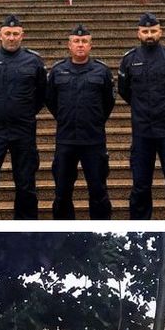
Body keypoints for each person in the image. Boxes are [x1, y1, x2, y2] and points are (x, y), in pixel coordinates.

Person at [118, 12, 165, 219]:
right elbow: (125, 92)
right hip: (142, 132)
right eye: (145, 31)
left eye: (153, 31)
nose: (149, 35)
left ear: (160, 32)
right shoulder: (129, 60)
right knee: (141, 187)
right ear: (138, 33)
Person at [0, 13, 47, 219]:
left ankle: (26, 229)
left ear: (22, 36)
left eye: (15, 34)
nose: (11, 38)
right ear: (0, 35)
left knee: (26, 184)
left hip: (24, 129)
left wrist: (25, 112)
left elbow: (42, 93)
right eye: (8, 33)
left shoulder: (34, 61)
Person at [46, 24, 115, 220]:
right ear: (69, 45)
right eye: (76, 41)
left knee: (98, 191)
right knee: (62, 192)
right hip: (66, 140)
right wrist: (65, 118)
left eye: (84, 41)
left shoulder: (101, 71)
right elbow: (50, 100)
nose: (80, 45)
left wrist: (94, 120)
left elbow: (108, 103)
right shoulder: (58, 71)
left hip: (93, 141)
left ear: (90, 46)